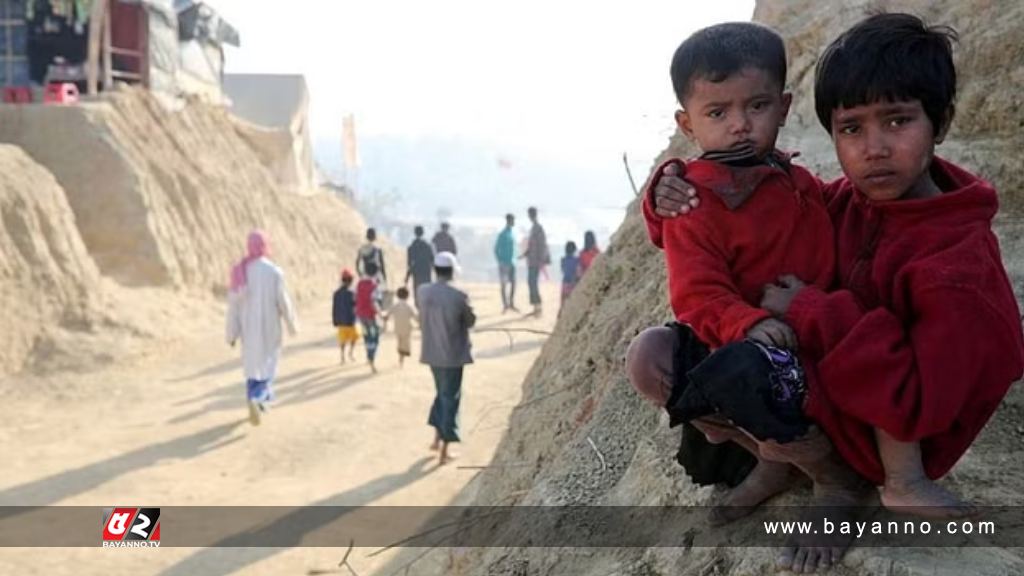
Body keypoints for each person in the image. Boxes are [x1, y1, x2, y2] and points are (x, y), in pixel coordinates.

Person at [644, 14, 1024, 571]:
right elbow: (752, 220)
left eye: (897, 121)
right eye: (851, 129)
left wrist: (809, 310)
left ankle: (849, 486)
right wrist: (669, 196)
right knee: (656, 355)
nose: (873, 149)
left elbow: (921, 402)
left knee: (743, 370)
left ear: (940, 122)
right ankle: (777, 455)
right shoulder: (844, 201)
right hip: (828, 396)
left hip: (900, 436)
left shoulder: (955, 265)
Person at [625, 20, 853, 529]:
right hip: (743, 347)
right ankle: (797, 462)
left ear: (784, 106)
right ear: (688, 125)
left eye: (756, 106)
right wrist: (745, 324)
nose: (739, 124)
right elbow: (696, 293)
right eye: (717, 112)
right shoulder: (690, 199)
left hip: (814, 343)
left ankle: (815, 471)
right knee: (651, 358)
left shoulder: (800, 184)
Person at [226, 230, 298, 426]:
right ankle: (258, 398)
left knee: (252, 367)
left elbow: (233, 306)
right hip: (270, 328)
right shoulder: (274, 272)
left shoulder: (239, 272)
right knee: (268, 366)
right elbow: (284, 302)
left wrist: (231, 333)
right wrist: (292, 325)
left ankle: (256, 399)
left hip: (248, 330)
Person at [418, 251, 476, 465]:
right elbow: (470, 320)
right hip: (452, 355)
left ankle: (436, 438)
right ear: (451, 271)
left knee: (441, 393)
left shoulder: (423, 292)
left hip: (432, 354)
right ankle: (444, 448)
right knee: (450, 398)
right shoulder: (459, 296)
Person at [520, 206, 550, 317]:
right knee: (531, 283)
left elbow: (542, 246)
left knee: (533, 283)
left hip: (536, 262)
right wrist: (525, 254)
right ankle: (536, 307)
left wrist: (541, 261)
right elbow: (532, 246)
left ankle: (538, 308)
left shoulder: (538, 228)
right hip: (532, 261)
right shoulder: (534, 228)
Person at [355, 262, 382, 373]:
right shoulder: (374, 286)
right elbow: (374, 302)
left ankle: (368, 356)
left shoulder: (359, 284)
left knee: (366, 336)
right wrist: (381, 314)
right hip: (371, 315)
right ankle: (371, 358)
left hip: (361, 315)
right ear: (376, 272)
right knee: (374, 337)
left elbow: (355, 297)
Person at [384, 286, 417, 368]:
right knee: (405, 343)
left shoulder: (395, 305)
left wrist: (385, 319)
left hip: (397, 327)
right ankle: (401, 359)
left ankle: (400, 358)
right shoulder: (409, 306)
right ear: (407, 296)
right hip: (407, 328)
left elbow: (388, 314)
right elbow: (415, 316)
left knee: (399, 342)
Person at [332, 269, 359, 364]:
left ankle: (342, 357)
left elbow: (334, 308)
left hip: (341, 322)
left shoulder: (336, 293)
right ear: (350, 281)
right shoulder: (352, 293)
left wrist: (335, 321)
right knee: (355, 337)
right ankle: (350, 353)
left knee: (342, 340)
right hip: (350, 321)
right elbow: (356, 305)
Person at [494, 213, 519, 313]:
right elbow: (496, 249)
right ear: (509, 220)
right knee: (504, 284)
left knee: (513, 283)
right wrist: (500, 260)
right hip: (504, 263)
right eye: (512, 220)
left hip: (512, 262)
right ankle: (505, 305)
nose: (514, 222)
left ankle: (511, 303)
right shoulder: (503, 234)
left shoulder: (512, 233)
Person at [405, 225, 434, 307]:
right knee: (427, 294)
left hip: (416, 273)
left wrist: (407, 276)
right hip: (426, 273)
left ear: (415, 233)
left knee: (417, 294)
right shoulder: (428, 246)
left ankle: (419, 313)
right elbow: (432, 261)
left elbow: (409, 264)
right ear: (423, 233)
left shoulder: (411, 247)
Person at [559, 241, 580, 314]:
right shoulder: (576, 260)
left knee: (563, 302)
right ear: (574, 250)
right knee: (573, 302)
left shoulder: (563, 259)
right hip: (573, 283)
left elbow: (562, 270)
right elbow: (578, 272)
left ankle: (560, 316)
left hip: (565, 282)